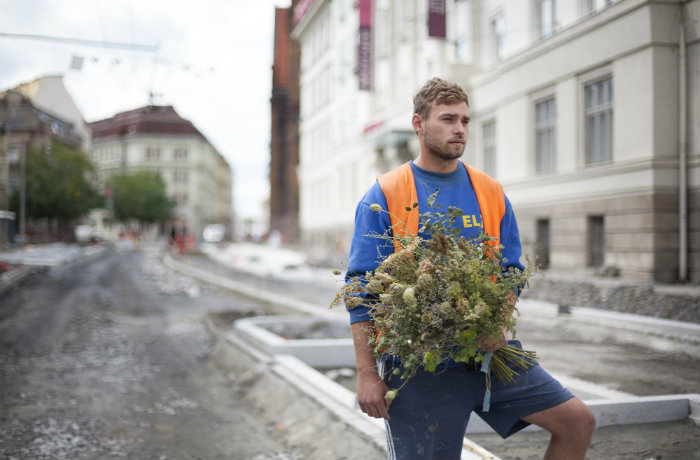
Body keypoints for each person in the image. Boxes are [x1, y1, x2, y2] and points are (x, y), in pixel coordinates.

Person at [345, 77, 595, 460]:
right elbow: (361, 289)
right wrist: (367, 373)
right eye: (448, 119)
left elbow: (511, 271)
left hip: (490, 355)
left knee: (577, 421)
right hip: (419, 366)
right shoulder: (386, 193)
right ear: (419, 124)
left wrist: (498, 320)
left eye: (465, 120)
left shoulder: (489, 190)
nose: (460, 129)